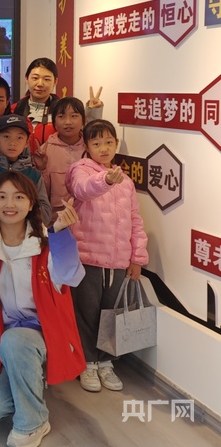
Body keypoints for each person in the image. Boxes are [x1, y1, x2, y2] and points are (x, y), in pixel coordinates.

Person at [0, 171, 86, 447]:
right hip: (0, 336)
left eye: (19, 197)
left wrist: (61, 235)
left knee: (16, 341)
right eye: (1, 197)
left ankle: (33, 422)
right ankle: (28, 380)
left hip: (43, 333)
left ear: (31, 204)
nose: (10, 204)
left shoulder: (47, 242)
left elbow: (70, 276)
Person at [66, 119, 149, 393]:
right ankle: (87, 363)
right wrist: (105, 180)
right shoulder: (80, 170)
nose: (104, 148)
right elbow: (83, 189)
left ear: (116, 144)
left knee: (111, 315)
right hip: (87, 259)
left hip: (118, 262)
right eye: (97, 143)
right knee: (86, 313)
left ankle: (105, 362)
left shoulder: (126, 182)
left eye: (109, 142)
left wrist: (137, 258)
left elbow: (135, 220)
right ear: (87, 146)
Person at [37, 97, 88, 225]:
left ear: (84, 119)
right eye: (61, 116)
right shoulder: (45, 150)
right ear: (54, 121)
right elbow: (41, 192)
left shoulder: (91, 147)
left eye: (74, 116)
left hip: (87, 219)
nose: (68, 122)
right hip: (57, 220)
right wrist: (41, 169)